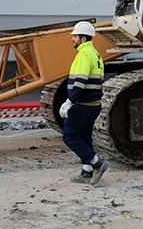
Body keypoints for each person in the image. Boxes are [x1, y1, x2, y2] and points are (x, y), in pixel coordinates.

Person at [59, 21, 109, 185]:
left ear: (83, 38)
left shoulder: (83, 55)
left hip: (83, 105)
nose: (72, 39)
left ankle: (97, 164)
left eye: (75, 36)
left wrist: (69, 101)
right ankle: (86, 172)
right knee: (84, 137)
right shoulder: (96, 54)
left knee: (70, 136)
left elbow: (80, 82)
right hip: (93, 105)